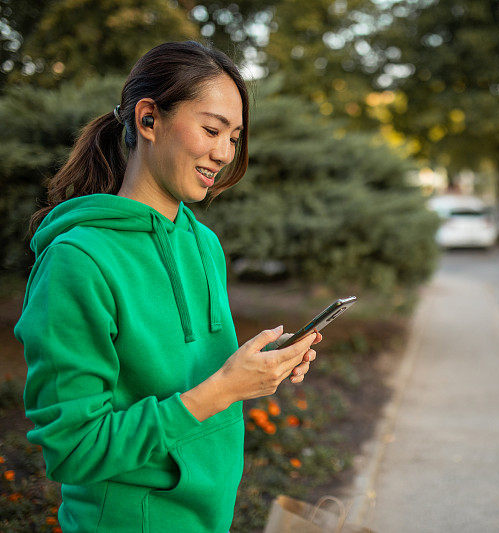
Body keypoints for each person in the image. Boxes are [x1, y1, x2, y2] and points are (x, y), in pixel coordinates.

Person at [12, 40, 321, 532]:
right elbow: (73, 448)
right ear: (149, 119)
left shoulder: (204, 243)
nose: (224, 153)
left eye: (235, 137)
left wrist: (258, 368)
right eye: (212, 129)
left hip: (210, 518)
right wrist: (223, 390)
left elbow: (186, 373)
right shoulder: (78, 260)